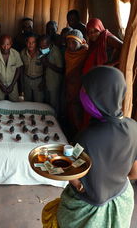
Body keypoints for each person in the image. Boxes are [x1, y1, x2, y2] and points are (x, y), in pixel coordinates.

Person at [42, 66, 137, 228]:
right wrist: (111, 180)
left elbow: (75, 179)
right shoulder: (133, 127)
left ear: (101, 97)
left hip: (88, 212)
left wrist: (78, 185)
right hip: (121, 202)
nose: (82, 93)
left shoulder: (86, 138)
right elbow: (134, 173)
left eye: (86, 91)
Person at [64, 29, 88, 136]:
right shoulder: (67, 53)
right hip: (69, 83)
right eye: (68, 42)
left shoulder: (85, 53)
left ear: (81, 42)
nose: (70, 45)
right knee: (69, 107)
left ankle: (79, 133)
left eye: (74, 42)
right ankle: (71, 130)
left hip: (79, 85)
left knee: (77, 109)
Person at [0, 35, 23, 101]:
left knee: (14, 103)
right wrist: (1, 85)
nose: (5, 47)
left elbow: (18, 69)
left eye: (8, 44)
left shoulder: (16, 54)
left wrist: (12, 85)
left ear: (11, 44)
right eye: (3, 44)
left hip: (13, 84)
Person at [39, 35, 64, 115]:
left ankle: (55, 122)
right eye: (41, 46)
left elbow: (61, 70)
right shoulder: (45, 50)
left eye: (44, 46)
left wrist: (47, 63)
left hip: (54, 84)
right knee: (47, 104)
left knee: (54, 105)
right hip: (47, 82)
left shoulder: (56, 52)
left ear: (50, 44)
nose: (42, 48)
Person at [20, 34, 44, 102]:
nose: (30, 44)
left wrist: (43, 82)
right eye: (28, 42)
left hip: (38, 80)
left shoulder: (41, 53)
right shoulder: (22, 53)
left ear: (37, 43)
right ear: (26, 43)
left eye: (33, 42)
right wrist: (22, 83)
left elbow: (46, 68)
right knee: (27, 101)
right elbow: (21, 68)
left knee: (39, 102)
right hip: (27, 79)